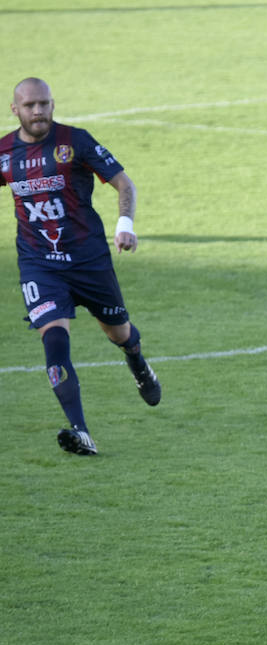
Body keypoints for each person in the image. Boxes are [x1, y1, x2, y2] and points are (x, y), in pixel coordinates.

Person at [2, 77, 160, 456]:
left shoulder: (75, 142)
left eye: (44, 104)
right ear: (15, 110)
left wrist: (125, 227)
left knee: (119, 332)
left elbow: (124, 184)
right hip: (39, 263)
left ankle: (137, 362)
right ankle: (81, 432)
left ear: (53, 105)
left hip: (89, 260)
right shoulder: (5, 152)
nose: (38, 111)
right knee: (54, 341)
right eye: (29, 106)